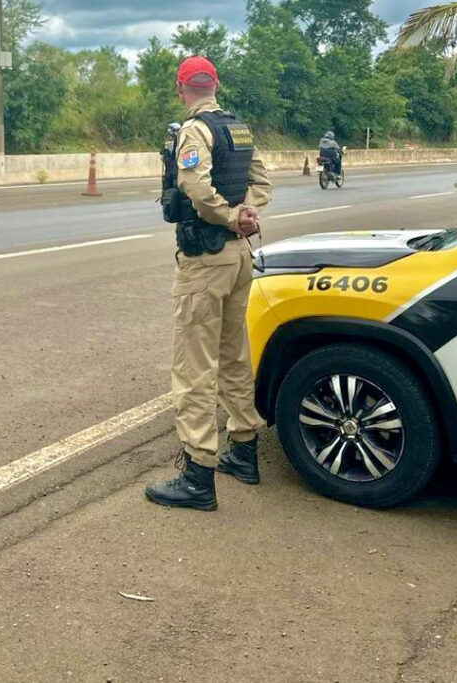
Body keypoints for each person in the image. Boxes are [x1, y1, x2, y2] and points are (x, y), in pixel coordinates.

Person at [146, 56, 272, 511]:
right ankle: (243, 451)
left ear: (182, 89)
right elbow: (262, 182)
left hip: (207, 260)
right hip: (239, 257)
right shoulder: (239, 129)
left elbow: (196, 188)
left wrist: (228, 215)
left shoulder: (194, 131)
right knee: (234, 356)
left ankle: (198, 475)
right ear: (215, 85)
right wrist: (246, 212)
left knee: (194, 368)